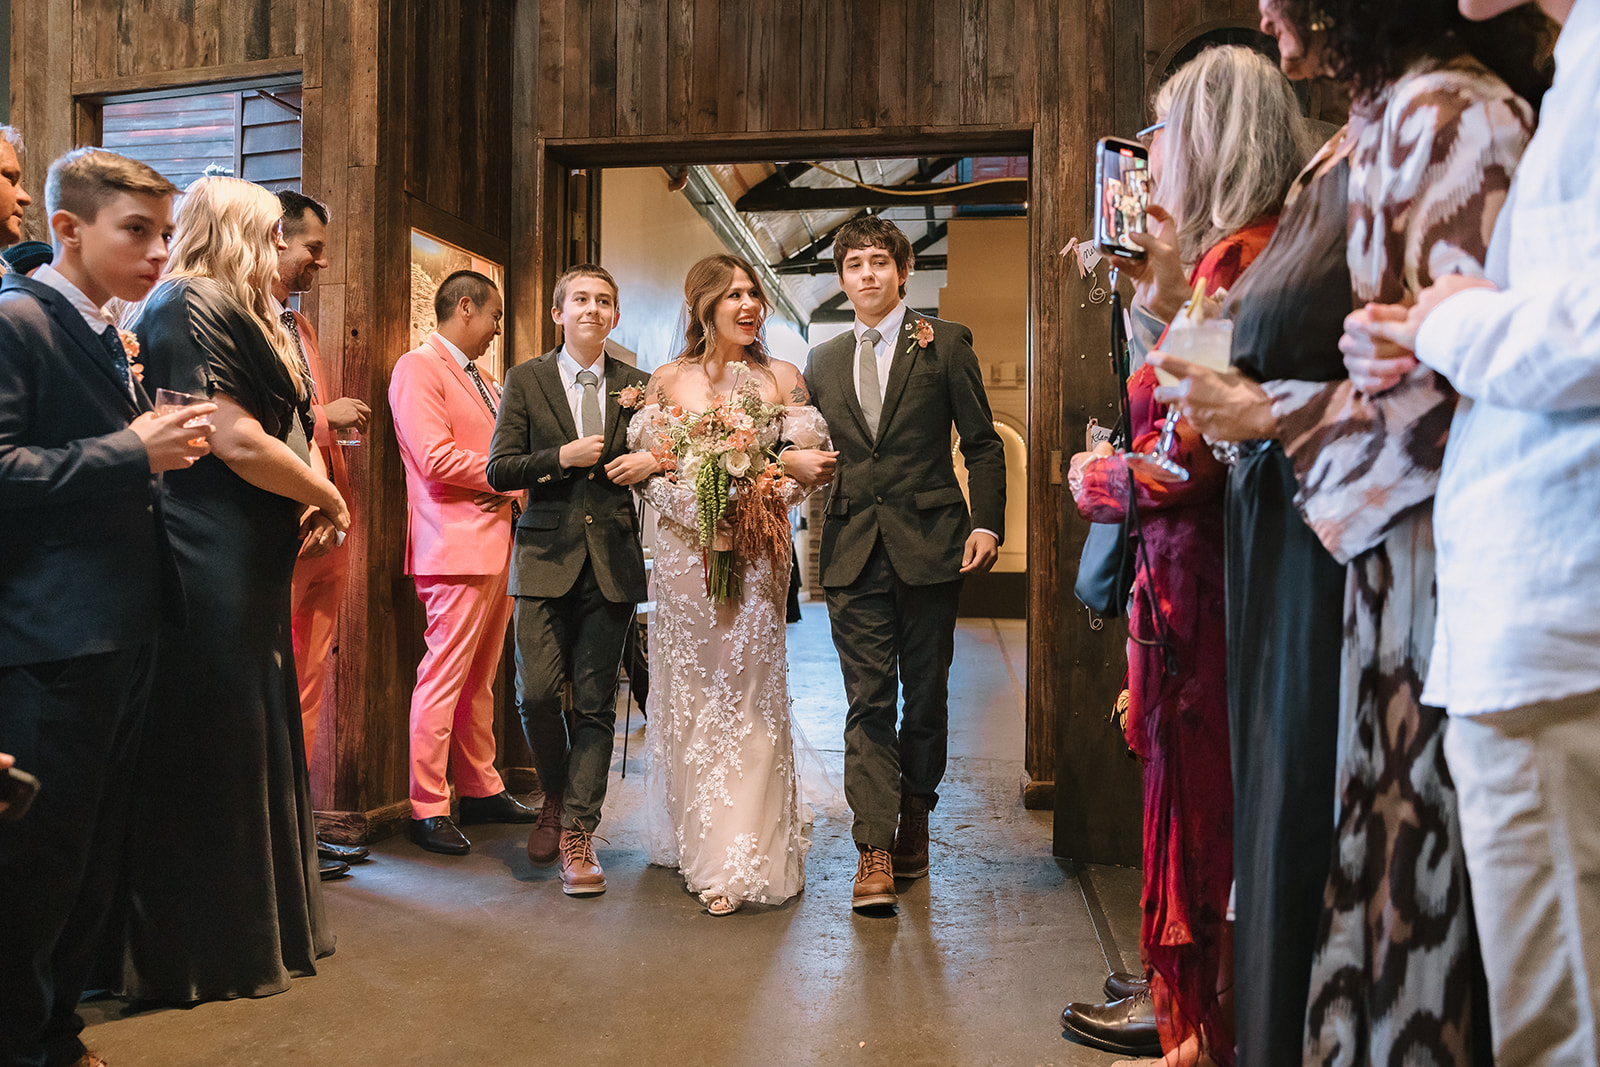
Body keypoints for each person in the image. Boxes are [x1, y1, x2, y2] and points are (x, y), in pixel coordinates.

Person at [1153, 3, 1546, 1063]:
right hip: (1327, 546)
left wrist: (1268, 412)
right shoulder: (1361, 128)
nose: (1268, 9)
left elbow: (1458, 398)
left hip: (1399, 553)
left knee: (1391, 880)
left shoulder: (1454, 116)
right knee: (1311, 848)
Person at [1345, 0, 1599, 1059]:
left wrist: (1450, 319)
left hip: (1555, 592)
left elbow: (1585, 330)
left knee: (1559, 1016)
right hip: (1527, 596)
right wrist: (1456, 312)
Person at [1063, 44, 1312, 1066]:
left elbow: (1182, 461)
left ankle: (1200, 1024)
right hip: (1195, 580)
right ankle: (1189, 1011)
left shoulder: (1231, 263)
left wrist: (1089, 481)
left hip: (1201, 588)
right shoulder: (1236, 256)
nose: (1149, 159)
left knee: (1200, 811)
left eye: (1162, 135)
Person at [100, 175, 345, 1004]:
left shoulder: (227, 306)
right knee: (211, 728)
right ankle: (200, 945)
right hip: (205, 545)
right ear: (241, 233)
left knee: (250, 717)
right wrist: (327, 494)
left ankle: (256, 927)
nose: (286, 248)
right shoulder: (190, 302)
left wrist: (306, 485)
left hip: (248, 547)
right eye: (275, 232)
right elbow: (234, 438)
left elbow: (280, 427)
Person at [0, 145, 208, 1067]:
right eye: (138, 232)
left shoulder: (103, 328)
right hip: (50, 637)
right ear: (69, 229)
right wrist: (133, 451)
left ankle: (58, 1034)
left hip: (121, 628)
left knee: (90, 858)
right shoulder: (20, 321)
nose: (160, 253)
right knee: (37, 868)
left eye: (165, 234)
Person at [789, 216, 1005, 913]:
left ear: (904, 268)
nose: (867, 275)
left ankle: (917, 807)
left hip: (933, 545)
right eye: (853, 264)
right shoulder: (820, 362)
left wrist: (986, 520)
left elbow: (981, 443)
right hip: (851, 549)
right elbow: (798, 445)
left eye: (879, 261)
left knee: (928, 695)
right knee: (867, 701)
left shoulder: (945, 344)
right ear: (842, 277)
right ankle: (873, 847)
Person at [628, 253, 832, 916]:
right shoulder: (668, 380)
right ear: (704, 304)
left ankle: (741, 855)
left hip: (757, 558)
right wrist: (703, 513)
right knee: (690, 692)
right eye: (733, 294)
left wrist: (764, 484)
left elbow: (811, 467)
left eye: (755, 294)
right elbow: (653, 475)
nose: (748, 305)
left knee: (749, 695)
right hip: (689, 560)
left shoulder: (782, 377)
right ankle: (696, 834)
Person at [486, 264, 652, 896]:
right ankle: (554, 796)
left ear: (614, 315)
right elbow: (499, 468)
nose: (592, 308)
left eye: (604, 300)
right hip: (542, 560)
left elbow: (663, 462)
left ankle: (579, 831)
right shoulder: (526, 379)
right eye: (580, 299)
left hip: (611, 561)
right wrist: (560, 459)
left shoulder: (638, 386)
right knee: (534, 693)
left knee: (593, 704)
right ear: (559, 313)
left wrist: (652, 462)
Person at [390, 269, 532, 856]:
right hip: (451, 544)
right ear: (466, 307)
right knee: (443, 677)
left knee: (481, 679)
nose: (499, 329)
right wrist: (505, 478)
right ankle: (427, 803)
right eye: (496, 316)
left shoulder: (487, 381)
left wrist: (513, 484)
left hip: (499, 539)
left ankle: (479, 785)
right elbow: (433, 455)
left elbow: (510, 454)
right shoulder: (418, 367)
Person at [275, 189, 371, 880]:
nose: (322, 259)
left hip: (326, 529)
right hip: (279, 529)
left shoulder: (301, 327)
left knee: (309, 688)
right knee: (272, 684)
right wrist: (323, 416)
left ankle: (299, 828)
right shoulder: (245, 322)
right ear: (275, 238)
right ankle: (272, 834)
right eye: (313, 247)